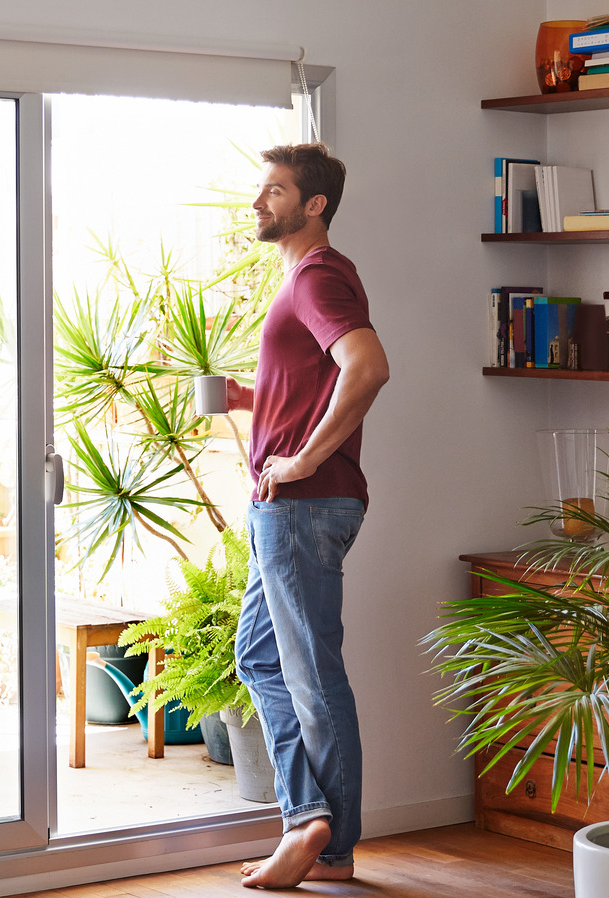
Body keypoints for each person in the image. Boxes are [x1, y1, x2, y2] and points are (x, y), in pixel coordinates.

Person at [227, 144, 389, 889]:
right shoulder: (302, 278)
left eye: (275, 191)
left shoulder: (319, 274)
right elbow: (315, 389)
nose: (260, 203)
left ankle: (324, 842)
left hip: (301, 505)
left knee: (314, 674)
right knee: (261, 657)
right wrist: (248, 402)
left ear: (313, 205)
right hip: (287, 505)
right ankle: (313, 821)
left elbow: (368, 367)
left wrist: (304, 462)